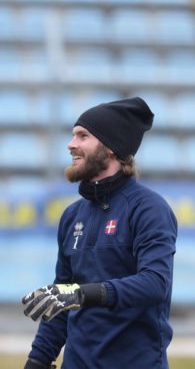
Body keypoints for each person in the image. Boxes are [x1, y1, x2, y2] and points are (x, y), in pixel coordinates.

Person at [21, 97, 178, 369]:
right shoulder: (72, 216)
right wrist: (37, 360)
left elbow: (155, 283)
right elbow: (62, 298)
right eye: (73, 135)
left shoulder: (148, 209)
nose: (71, 144)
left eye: (83, 136)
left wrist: (83, 294)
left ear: (111, 148)